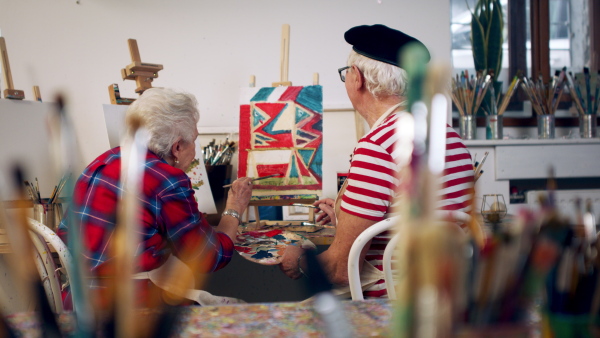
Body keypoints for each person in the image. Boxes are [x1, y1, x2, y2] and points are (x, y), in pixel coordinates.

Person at [280, 24, 475, 298]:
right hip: (450, 298)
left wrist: (298, 260)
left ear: (356, 78)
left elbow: (340, 270)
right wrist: (345, 216)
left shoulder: (377, 146)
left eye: (345, 73)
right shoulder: (448, 135)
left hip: (396, 306)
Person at [58, 87, 253, 306]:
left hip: (74, 304)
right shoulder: (167, 180)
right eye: (194, 141)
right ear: (177, 147)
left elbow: (64, 234)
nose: (195, 150)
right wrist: (234, 208)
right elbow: (209, 258)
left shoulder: (102, 161)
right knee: (242, 311)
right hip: (130, 311)